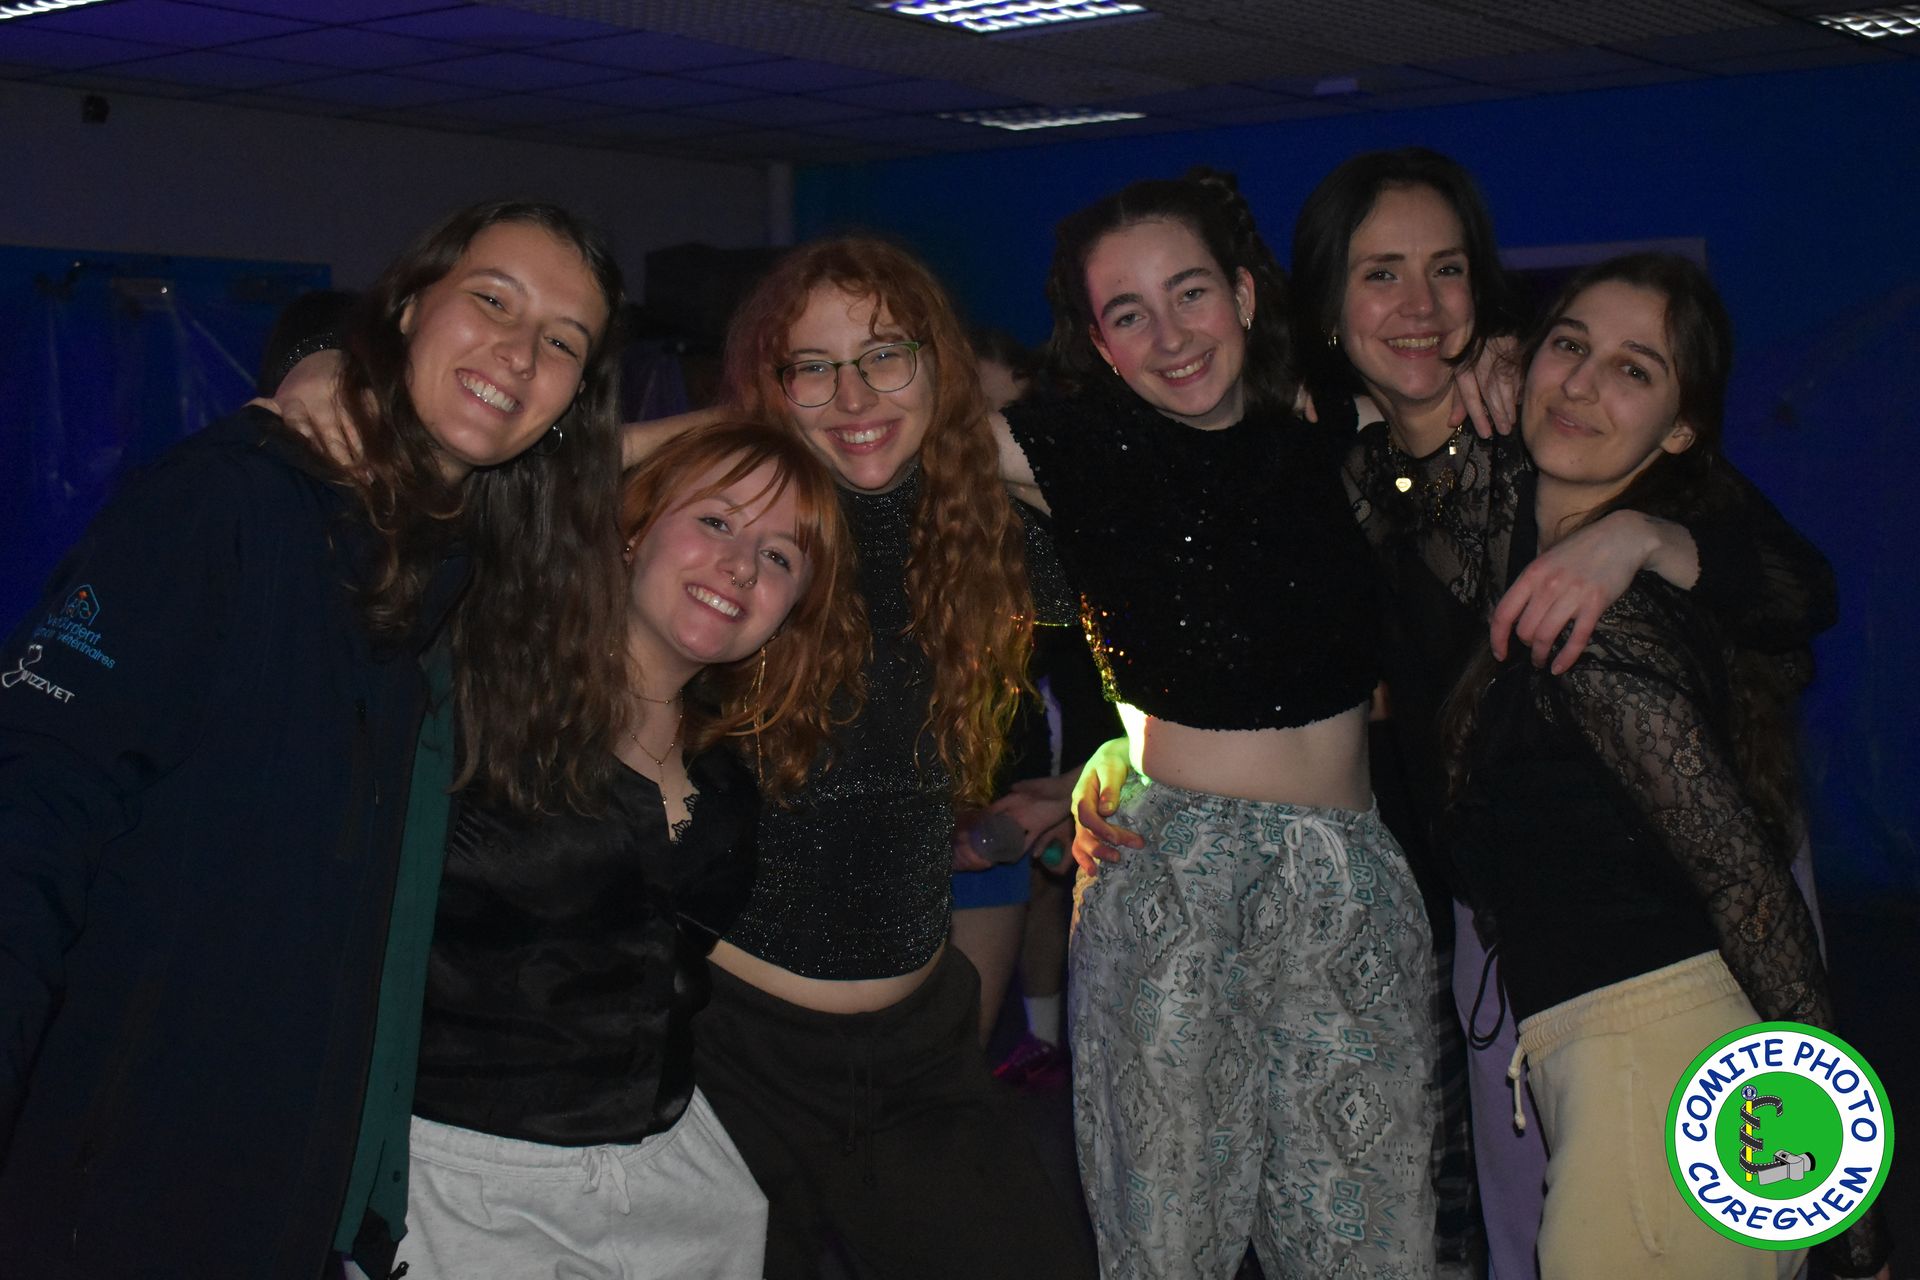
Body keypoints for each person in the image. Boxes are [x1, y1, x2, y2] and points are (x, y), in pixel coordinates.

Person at [0, 200, 623, 1278]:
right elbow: (33, 813)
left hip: (299, 1203)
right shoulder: (228, 506)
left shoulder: (467, 574)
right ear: (410, 305)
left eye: (562, 342)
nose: (520, 353)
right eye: (493, 300)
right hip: (124, 1193)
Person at [1288, 146, 1842, 1279]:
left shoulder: (1550, 431)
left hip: (1679, 898)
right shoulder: (1348, 479)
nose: (1419, 305)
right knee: (1537, 1233)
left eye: (1446, 269)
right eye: (1381, 273)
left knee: (1674, 1217)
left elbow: (1801, 590)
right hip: (1508, 916)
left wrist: (1643, 535)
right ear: (1329, 307)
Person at [994, 170, 1440, 1278]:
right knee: (1166, 1240)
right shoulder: (1075, 452)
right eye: (1128, 313)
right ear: (1100, 345)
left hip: (1350, 878)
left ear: (1242, 295)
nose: (1171, 335)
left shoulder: (1339, 436)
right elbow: (855, 432)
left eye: (1190, 292)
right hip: (1171, 882)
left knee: (1366, 1237)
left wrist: (1635, 535)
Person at [1439, 253, 1887, 1278]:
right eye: (1569, 345)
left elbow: (1750, 893)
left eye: (1634, 369)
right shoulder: (1554, 573)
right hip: (1643, 1074)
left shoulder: (1602, 628)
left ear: (1680, 429)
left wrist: (1853, 1217)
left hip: (1653, 1076)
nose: (1583, 383)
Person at [397, 422, 863, 1279]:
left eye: (779, 557)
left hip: (672, 1190)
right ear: (631, 529)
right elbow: (439, 486)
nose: (740, 566)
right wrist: (731, 419)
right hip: (462, 1188)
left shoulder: (734, 774)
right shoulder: (483, 695)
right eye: (715, 520)